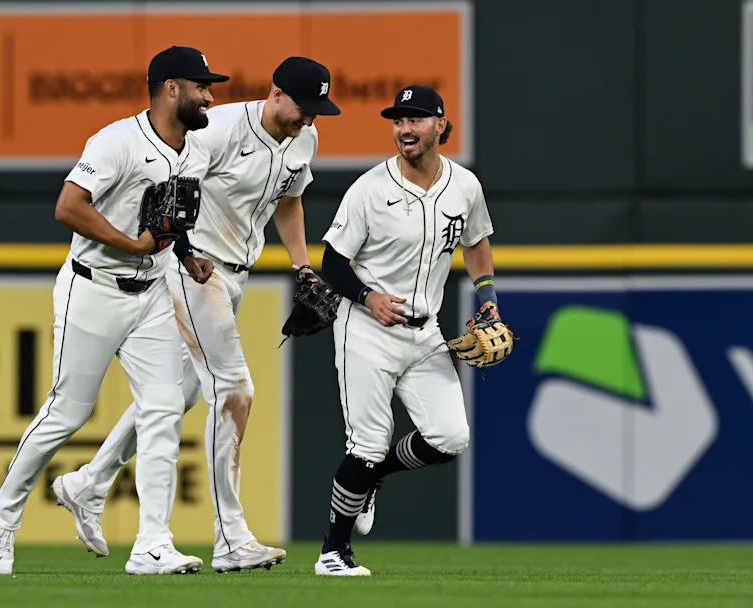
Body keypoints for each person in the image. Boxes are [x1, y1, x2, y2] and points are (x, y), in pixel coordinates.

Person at [51, 57, 341, 573]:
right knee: (234, 388)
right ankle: (230, 536)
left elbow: (289, 200)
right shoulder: (222, 128)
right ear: (276, 94)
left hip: (236, 276)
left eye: (317, 110)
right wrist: (178, 249)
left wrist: (302, 267)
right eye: (303, 107)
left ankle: (87, 483)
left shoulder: (304, 140)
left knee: (179, 394)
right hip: (195, 269)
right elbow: (169, 186)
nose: (310, 119)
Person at [0, 46, 229, 576]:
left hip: (152, 296)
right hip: (92, 289)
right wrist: (132, 246)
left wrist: (186, 255)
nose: (210, 95)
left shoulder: (197, 151)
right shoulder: (117, 140)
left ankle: (152, 545)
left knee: (163, 409)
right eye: (201, 86)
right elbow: (68, 207)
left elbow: (168, 218)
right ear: (171, 89)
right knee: (67, 413)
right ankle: (3, 511)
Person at [314, 85, 498, 576]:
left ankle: (373, 480)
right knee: (369, 442)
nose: (404, 129)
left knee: (449, 437)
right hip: (366, 328)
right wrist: (367, 298)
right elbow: (332, 261)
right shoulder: (370, 188)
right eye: (398, 120)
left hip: (425, 332)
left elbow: (477, 243)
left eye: (415, 119)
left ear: (440, 125)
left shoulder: (465, 186)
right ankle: (334, 551)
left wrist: (489, 305)